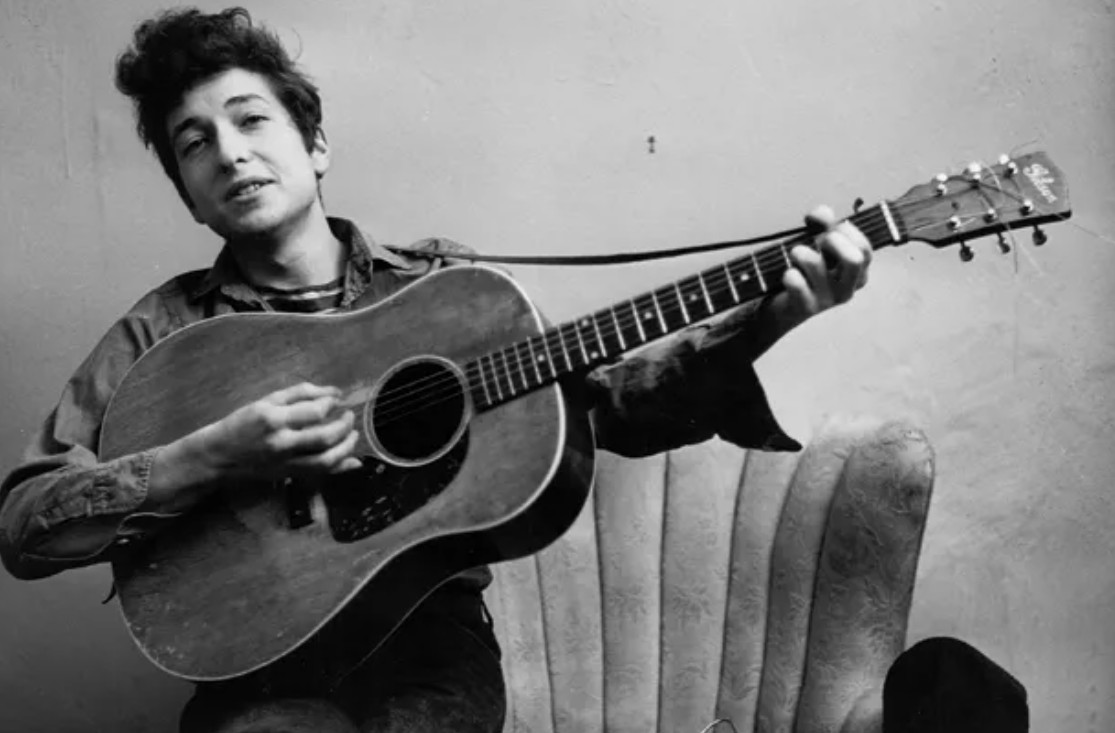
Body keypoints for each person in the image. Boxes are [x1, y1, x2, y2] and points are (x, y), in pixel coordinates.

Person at [0, 7, 873, 733]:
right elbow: (24, 525)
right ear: (189, 195)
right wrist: (216, 453)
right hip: (254, 670)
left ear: (316, 145)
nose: (229, 152)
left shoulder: (443, 292)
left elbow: (608, 404)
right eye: (195, 143)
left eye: (251, 120)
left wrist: (770, 319)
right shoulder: (162, 331)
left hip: (430, 652)